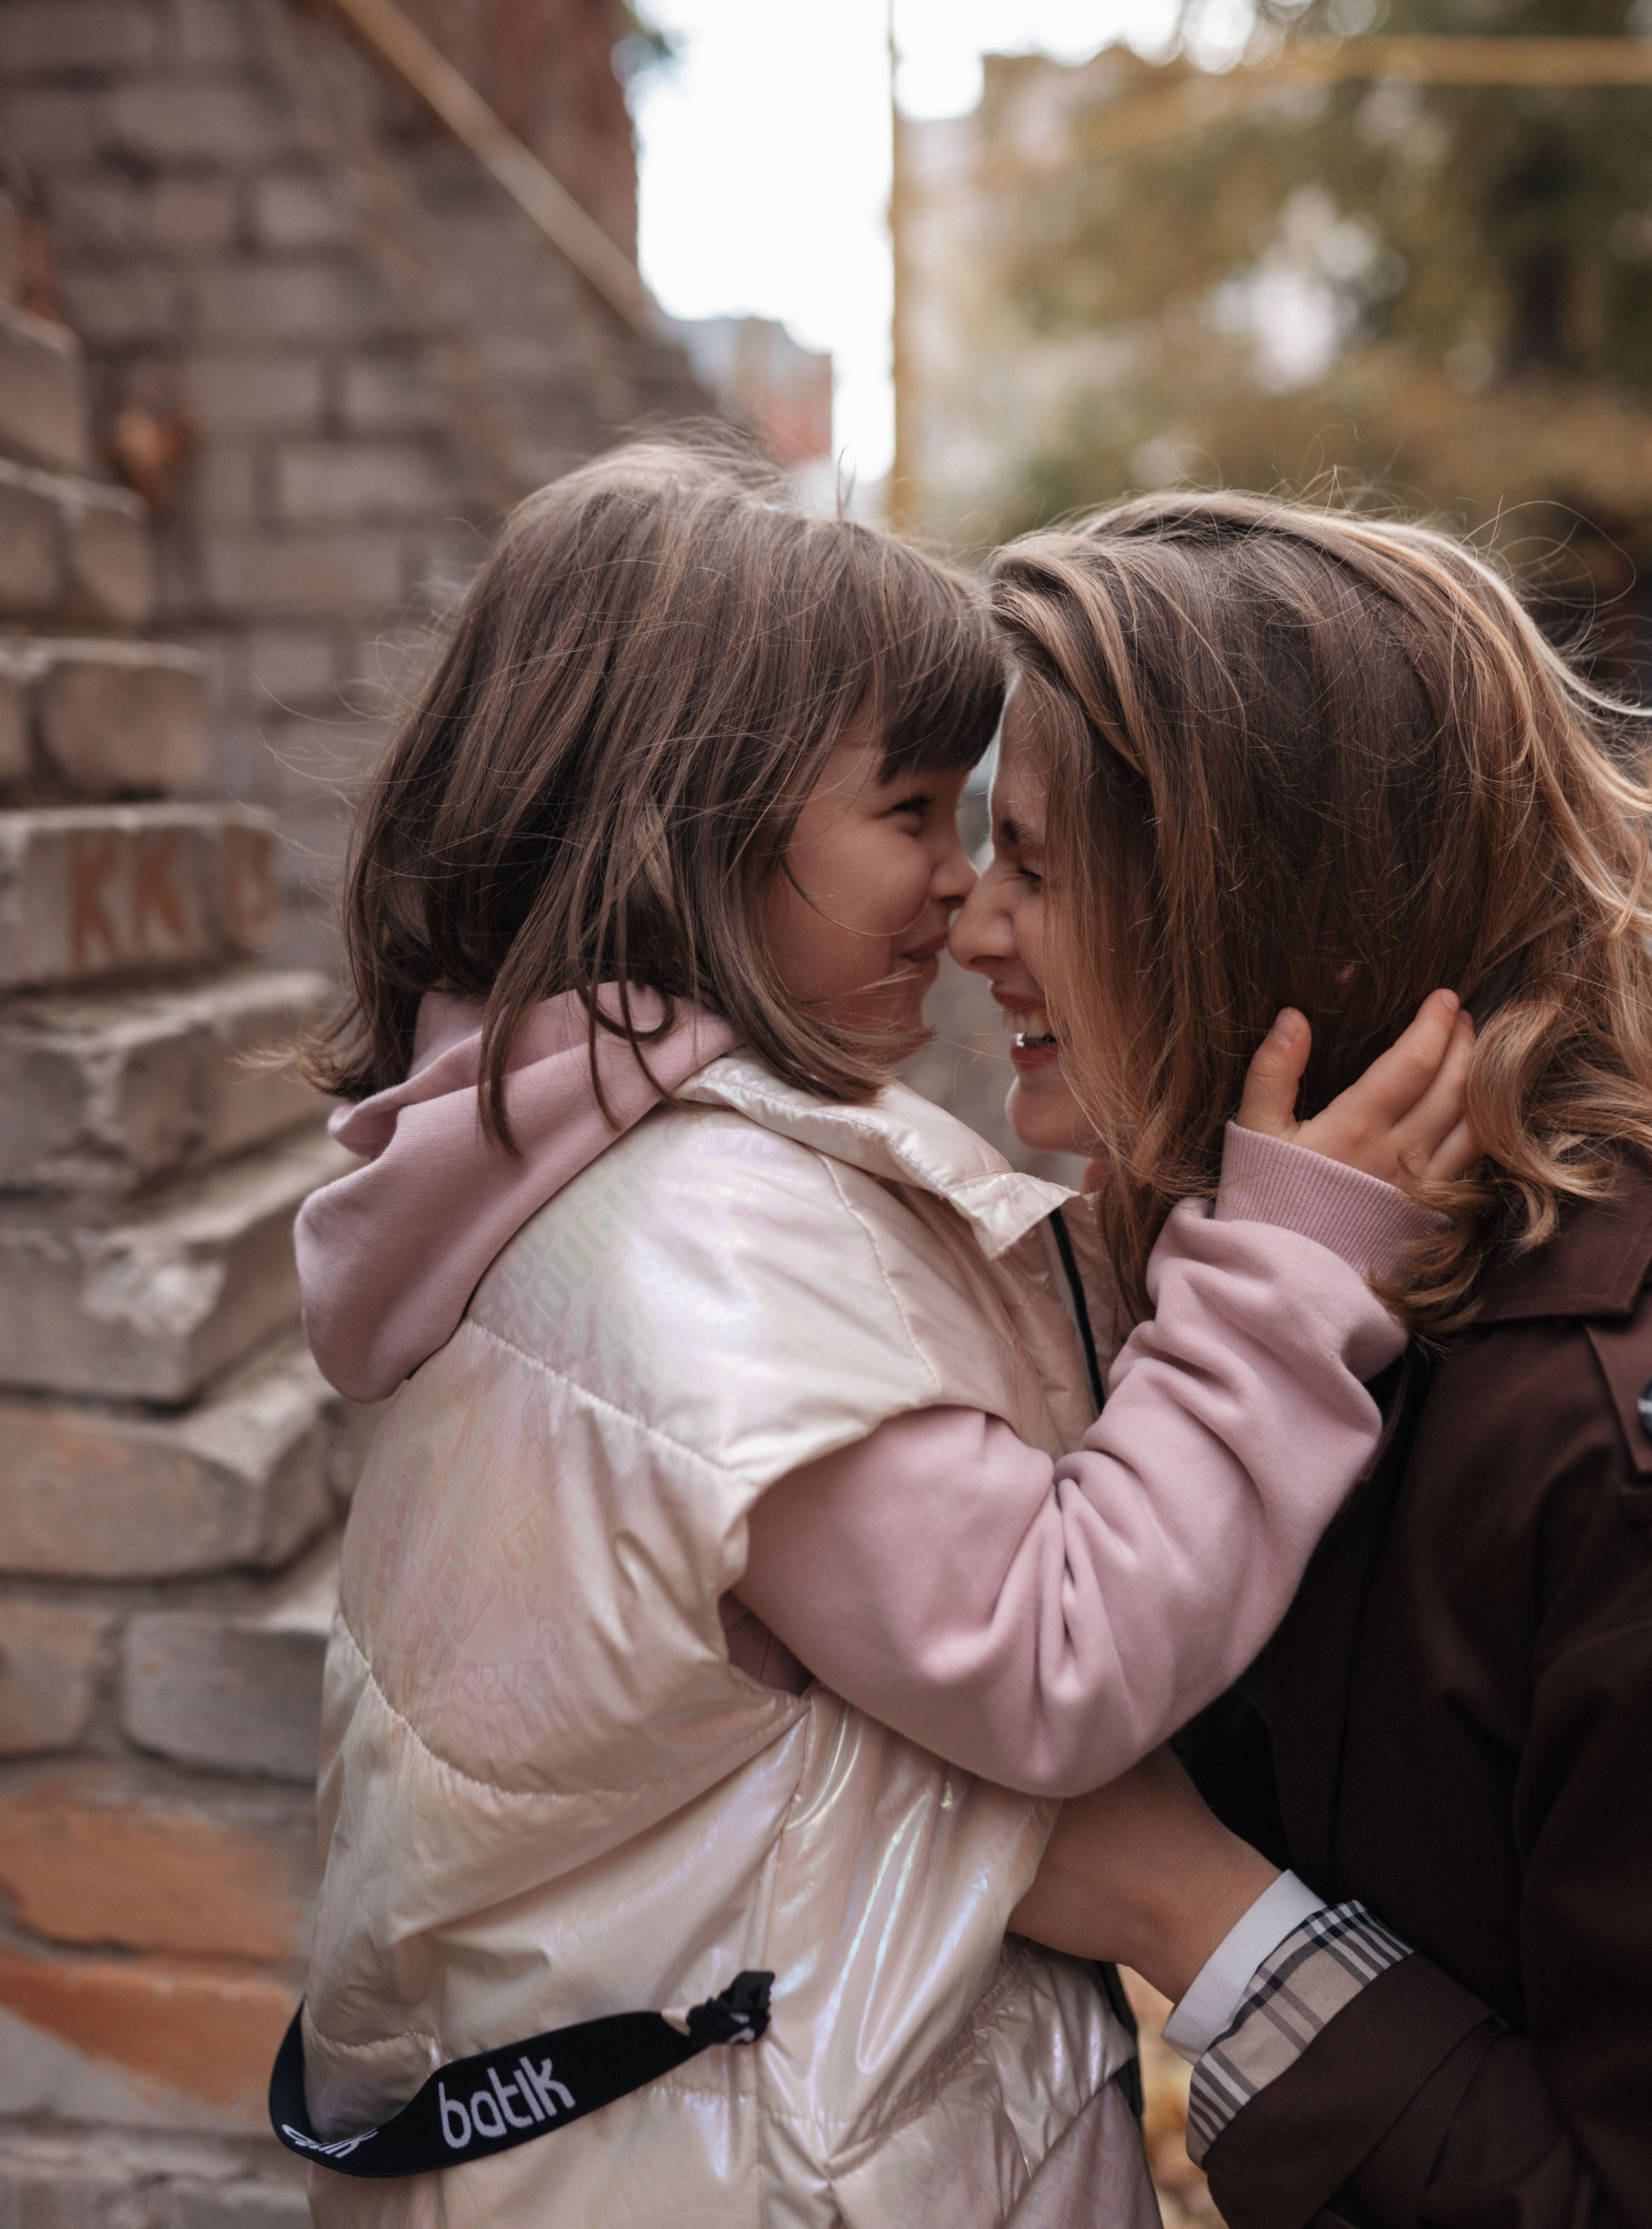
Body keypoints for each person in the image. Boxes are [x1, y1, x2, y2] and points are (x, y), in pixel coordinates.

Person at [289, 441, 1471, 2228]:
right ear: (690, 827)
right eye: (913, 811)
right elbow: (1054, 1651)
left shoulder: (558, 1164)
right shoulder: (709, 1249)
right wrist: (1288, 1276)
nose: (960, 884)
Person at [976, 492, 1652, 2229]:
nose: (972, 927)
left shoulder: (1597, 1441)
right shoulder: (1327, 1284)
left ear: (1285, 916)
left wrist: (1190, 1912)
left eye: (1035, 868)